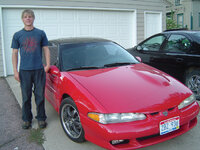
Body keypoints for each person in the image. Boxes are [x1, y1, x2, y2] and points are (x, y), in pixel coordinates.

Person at [11, 9, 50, 129]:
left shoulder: (40, 33)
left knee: (40, 96)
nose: (28, 18)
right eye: (25, 17)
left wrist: (47, 65)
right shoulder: (17, 35)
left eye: (30, 16)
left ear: (33, 18)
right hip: (25, 71)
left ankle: (41, 118)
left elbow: (46, 49)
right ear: (22, 19)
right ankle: (27, 119)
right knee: (26, 97)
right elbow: (14, 53)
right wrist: (15, 71)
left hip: (39, 70)